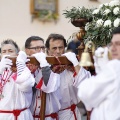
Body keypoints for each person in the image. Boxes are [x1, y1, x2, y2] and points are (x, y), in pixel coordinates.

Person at [77, 26, 120, 120]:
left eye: (118, 44)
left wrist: (103, 69)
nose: (112, 49)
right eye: (111, 44)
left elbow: (85, 93)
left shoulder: (115, 66)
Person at [45, 33, 91, 120]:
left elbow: (86, 85)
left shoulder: (71, 67)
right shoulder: (44, 68)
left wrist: (75, 64)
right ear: (48, 50)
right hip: (50, 117)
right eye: (54, 48)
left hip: (69, 115)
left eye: (61, 48)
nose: (58, 51)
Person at [25, 36, 61, 120]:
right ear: (27, 51)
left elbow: (49, 86)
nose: (40, 51)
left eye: (42, 48)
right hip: (30, 116)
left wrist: (44, 65)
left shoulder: (51, 65)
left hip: (49, 116)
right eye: (36, 48)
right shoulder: (23, 68)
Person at [0, 39, 35, 120]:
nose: (7, 54)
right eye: (4, 51)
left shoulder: (25, 69)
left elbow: (25, 86)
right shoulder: (0, 70)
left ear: (17, 54)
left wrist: (20, 64)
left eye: (10, 51)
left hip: (22, 116)